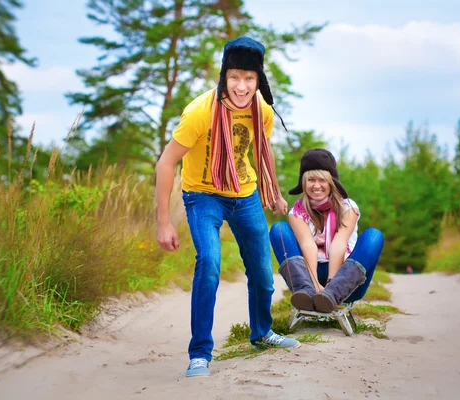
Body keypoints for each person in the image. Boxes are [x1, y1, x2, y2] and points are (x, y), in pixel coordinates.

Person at [156, 36, 300, 378]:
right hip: (203, 195)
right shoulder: (199, 112)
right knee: (209, 263)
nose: (241, 86)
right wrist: (164, 221)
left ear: (258, 80)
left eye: (249, 78)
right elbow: (166, 164)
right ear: (224, 76)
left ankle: (262, 333)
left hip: (245, 193)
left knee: (263, 274)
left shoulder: (261, 110)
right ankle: (200, 353)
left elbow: (263, 149)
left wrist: (274, 191)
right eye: (235, 77)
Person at [269, 149, 384, 313]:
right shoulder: (297, 213)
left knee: (374, 236)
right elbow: (307, 244)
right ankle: (306, 290)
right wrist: (314, 284)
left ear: (331, 182)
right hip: (308, 276)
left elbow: (339, 243)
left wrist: (331, 284)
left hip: (345, 279)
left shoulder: (348, 207)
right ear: (303, 182)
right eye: (311, 180)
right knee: (279, 229)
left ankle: (331, 295)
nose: (316, 186)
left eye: (321, 180)